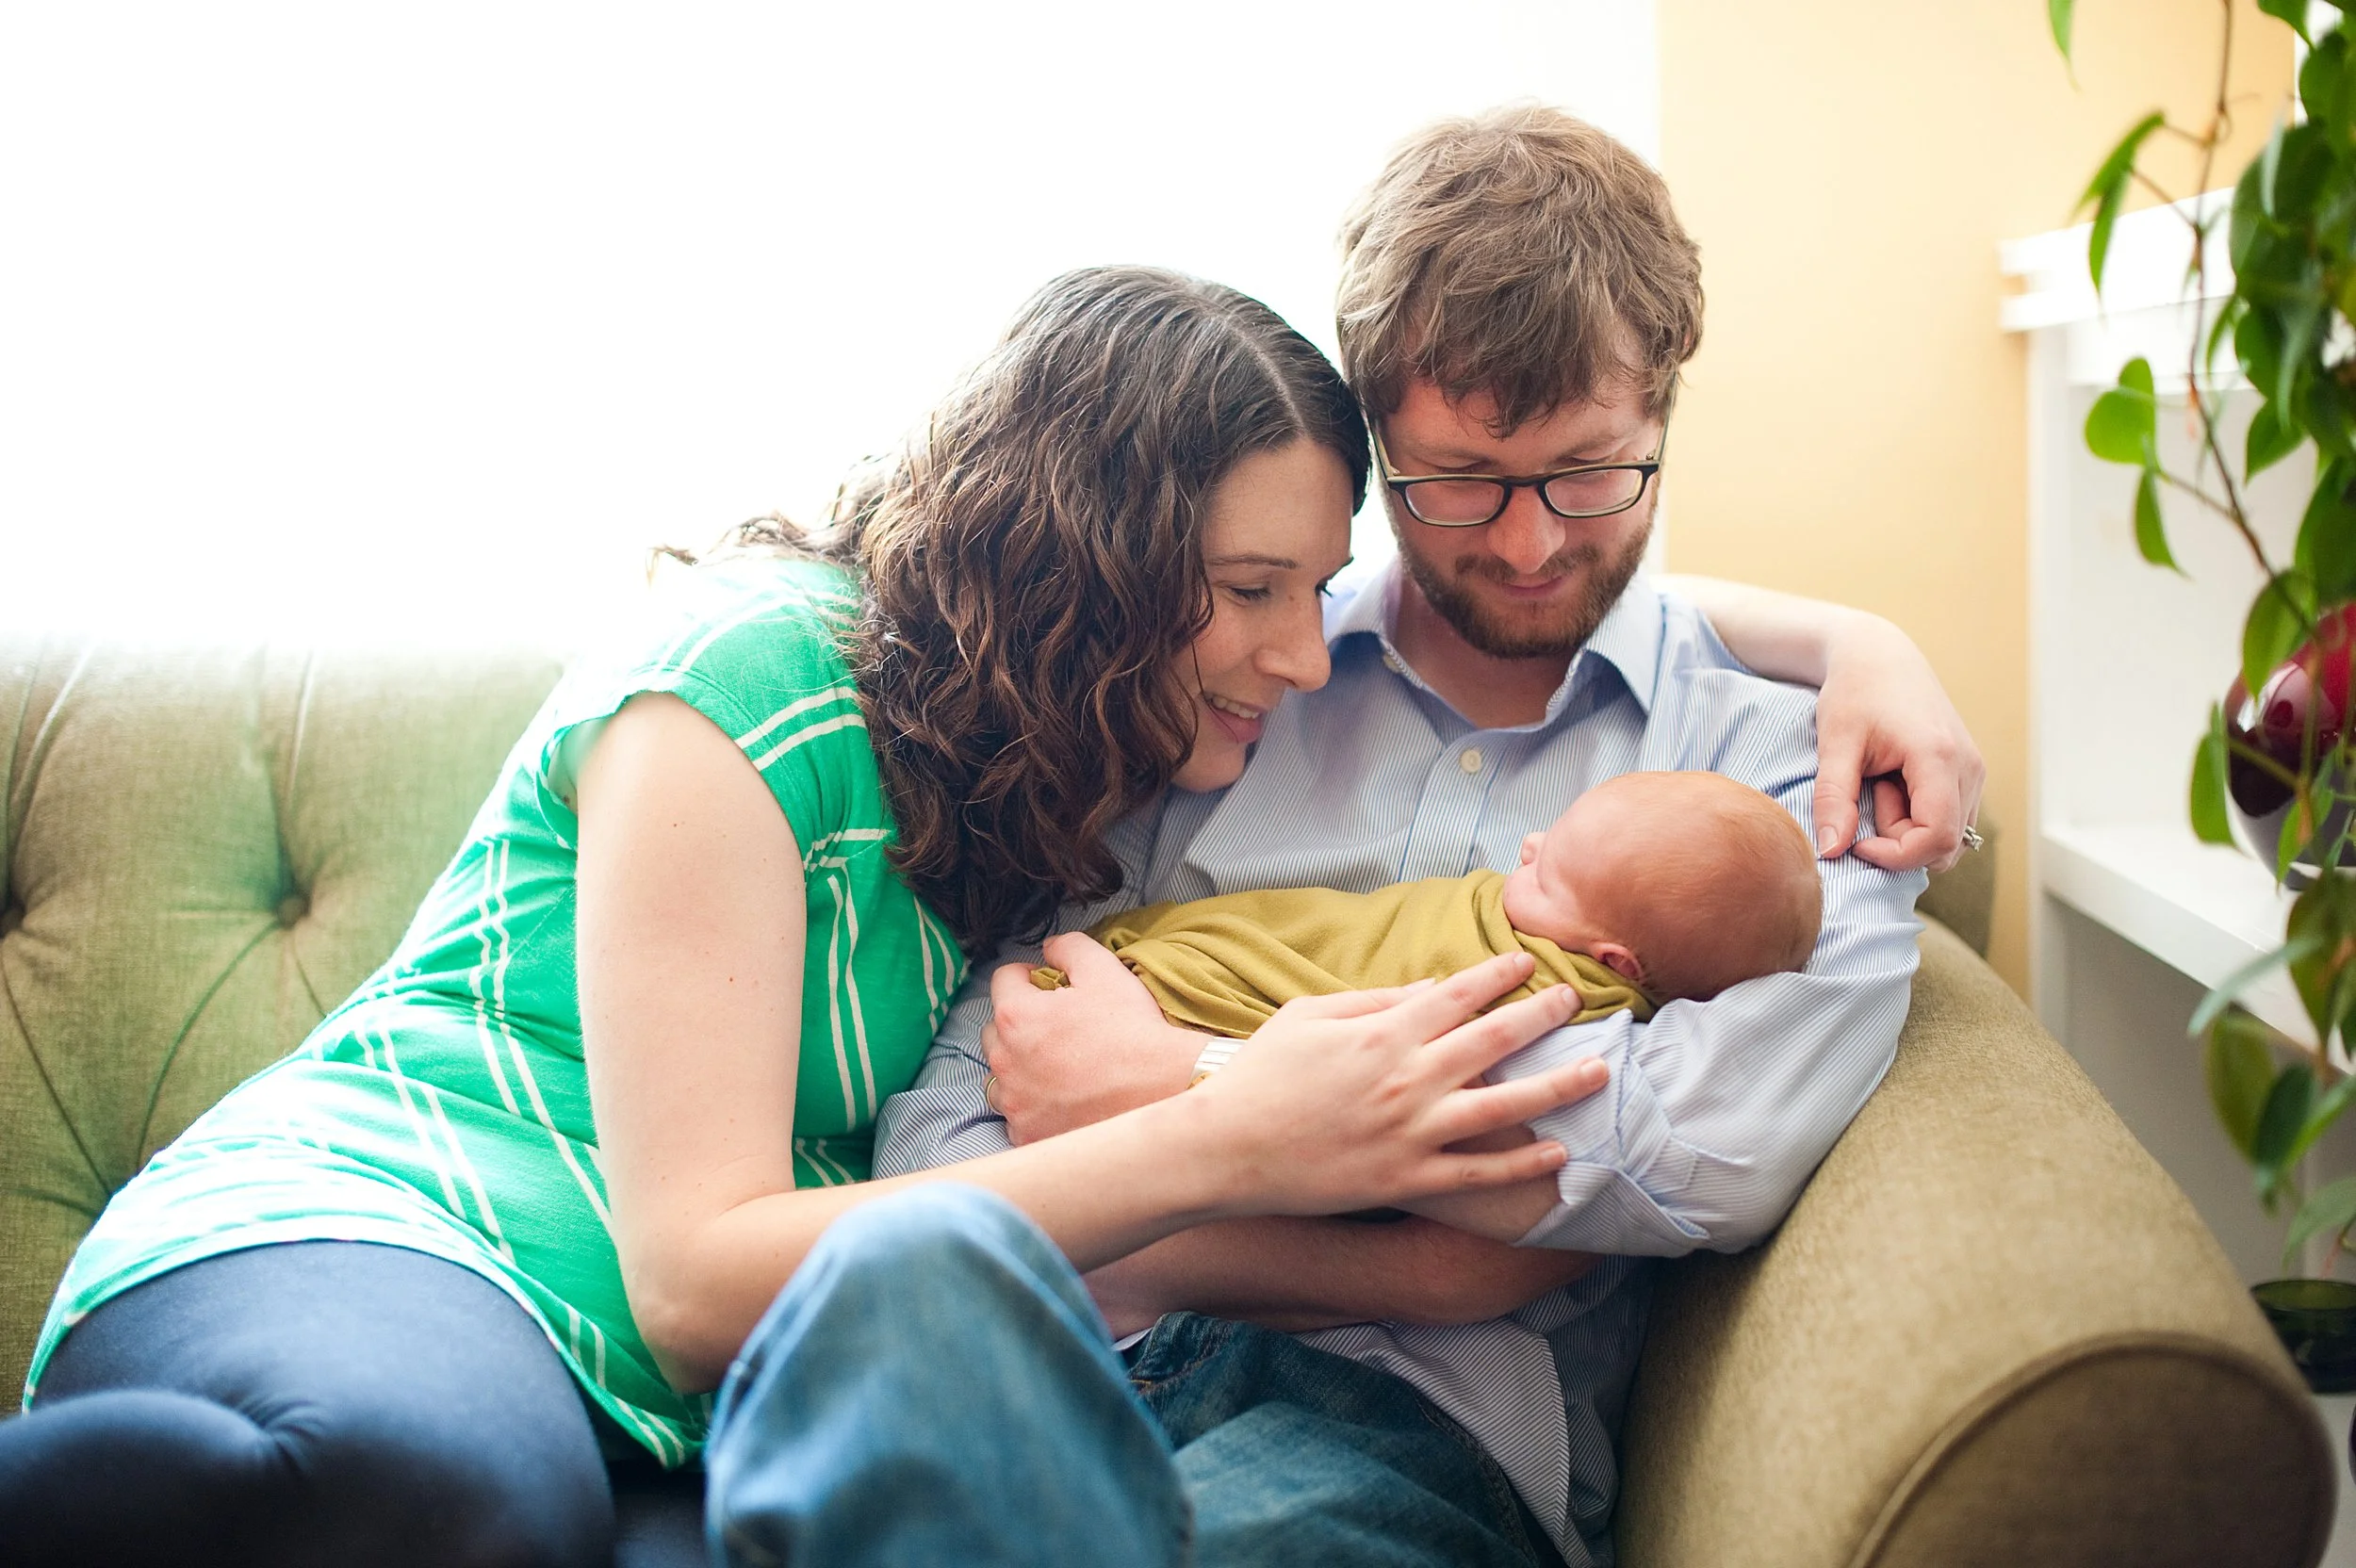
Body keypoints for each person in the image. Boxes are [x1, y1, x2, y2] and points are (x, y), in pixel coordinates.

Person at [0, 268, 1611, 1567]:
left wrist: (1856, 652)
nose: (1304, 656)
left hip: (681, 1413)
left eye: (1313, 595)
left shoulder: (1076, 784)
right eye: (1251, 589)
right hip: (396, 1235)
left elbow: (1520, 636)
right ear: (1088, 555)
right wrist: (1235, 1131)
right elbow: (697, 1276)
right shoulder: (748, 675)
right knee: (438, 1497)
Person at [725, 106, 1977, 1568]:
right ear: (1375, 440)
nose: (1526, 544)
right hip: (1047, 1346)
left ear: (1665, 414)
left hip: (1394, 1421)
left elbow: (1701, 1144)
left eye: (1590, 471)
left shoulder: (1783, 765)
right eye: (1456, 482)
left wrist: (1188, 1088)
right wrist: (1433, 1257)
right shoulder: (1220, 674)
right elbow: (962, 1105)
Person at [1039, 768, 1820, 1035]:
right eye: (1550, 836)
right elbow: (1363, 931)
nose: (1528, 848)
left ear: (1612, 961)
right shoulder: (1574, 922)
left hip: (1232, 1003)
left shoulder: (1556, 1001)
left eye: (1549, 878)